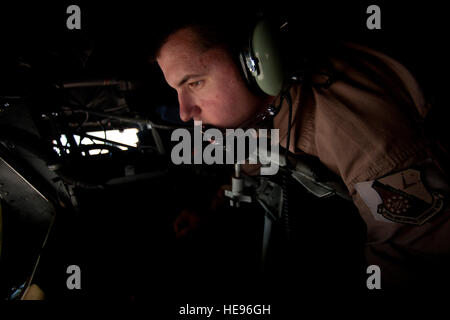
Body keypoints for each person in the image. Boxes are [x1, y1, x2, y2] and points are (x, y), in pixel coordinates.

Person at [153, 13, 450, 291]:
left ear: (254, 61)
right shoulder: (265, 107)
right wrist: (214, 206)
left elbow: (414, 255)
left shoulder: (349, 125)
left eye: (195, 83)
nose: (184, 112)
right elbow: (255, 158)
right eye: (178, 91)